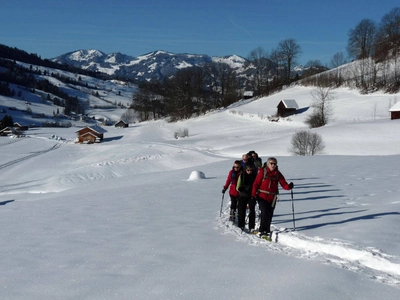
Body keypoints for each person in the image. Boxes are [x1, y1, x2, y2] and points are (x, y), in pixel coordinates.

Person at [251, 157, 293, 238]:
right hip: (262, 196)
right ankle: (262, 230)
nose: (273, 165)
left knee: (270, 214)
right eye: (271, 163)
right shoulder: (263, 172)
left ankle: (267, 230)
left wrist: (289, 186)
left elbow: (283, 184)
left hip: (272, 197)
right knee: (264, 212)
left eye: (275, 164)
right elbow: (256, 184)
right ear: (268, 164)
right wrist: (253, 195)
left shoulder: (277, 173)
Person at [236, 163, 257, 232]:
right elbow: (238, 186)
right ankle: (241, 225)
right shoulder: (242, 176)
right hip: (243, 195)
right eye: (248, 170)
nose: (249, 172)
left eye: (251, 170)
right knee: (241, 211)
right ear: (245, 170)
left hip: (252, 195)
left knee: (252, 211)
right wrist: (241, 189)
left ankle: (251, 226)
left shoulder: (255, 176)